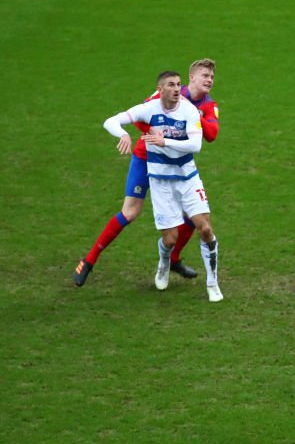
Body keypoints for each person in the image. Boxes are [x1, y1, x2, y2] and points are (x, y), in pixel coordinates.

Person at [74, 59, 220, 286]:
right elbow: (143, 115)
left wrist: (195, 116)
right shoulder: (169, 91)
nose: (209, 80)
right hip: (146, 158)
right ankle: (89, 260)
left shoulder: (207, 106)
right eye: (205, 76)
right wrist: (154, 132)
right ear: (192, 77)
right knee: (130, 213)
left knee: (195, 216)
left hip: (176, 164)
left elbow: (211, 135)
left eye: (212, 77)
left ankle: (172, 260)